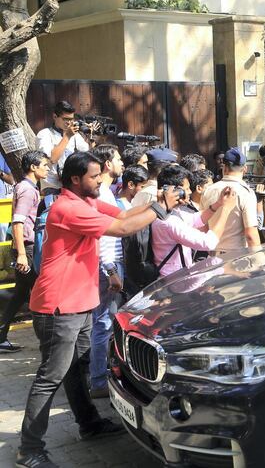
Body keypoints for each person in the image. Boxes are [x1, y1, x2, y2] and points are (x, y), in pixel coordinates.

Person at [16, 151, 180, 468]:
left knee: (77, 366)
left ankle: (89, 424)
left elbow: (123, 216)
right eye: (95, 176)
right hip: (58, 307)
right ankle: (29, 448)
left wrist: (158, 198)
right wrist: (163, 207)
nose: (101, 179)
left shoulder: (86, 201)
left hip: (81, 303)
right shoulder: (68, 208)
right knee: (50, 376)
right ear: (76, 179)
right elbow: (121, 230)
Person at [0, 151, 48, 353]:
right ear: (33, 167)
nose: (47, 168)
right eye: (44, 164)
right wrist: (21, 253)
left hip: (24, 247)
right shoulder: (28, 190)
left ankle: (1, 336)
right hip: (26, 248)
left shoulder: (24, 187)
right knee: (39, 292)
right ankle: (46, 338)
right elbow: (18, 222)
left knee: (20, 293)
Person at [88, 144, 126, 399]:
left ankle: (102, 375)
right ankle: (99, 381)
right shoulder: (102, 194)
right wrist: (111, 269)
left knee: (106, 323)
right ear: (107, 164)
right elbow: (100, 238)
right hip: (107, 267)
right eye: (119, 158)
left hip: (111, 265)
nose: (122, 162)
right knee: (101, 324)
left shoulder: (108, 192)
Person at [152, 166, 236, 277]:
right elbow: (208, 243)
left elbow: (196, 219)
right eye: (186, 189)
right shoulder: (169, 221)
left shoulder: (170, 212)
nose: (190, 192)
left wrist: (219, 203)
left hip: (177, 277)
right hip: (174, 282)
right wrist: (226, 209)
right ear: (175, 191)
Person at [200, 148, 261, 253]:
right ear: (245, 169)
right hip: (237, 258)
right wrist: (259, 261)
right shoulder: (246, 193)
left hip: (213, 255)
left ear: (224, 167)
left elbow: (202, 225)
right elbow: (251, 235)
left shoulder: (208, 190)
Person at [36, 101, 94, 195]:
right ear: (55, 116)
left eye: (71, 119)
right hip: (52, 187)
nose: (69, 123)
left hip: (71, 186)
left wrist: (90, 136)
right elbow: (51, 159)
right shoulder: (44, 134)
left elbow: (88, 153)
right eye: (65, 119)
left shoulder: (74, 135)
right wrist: (67, 137)